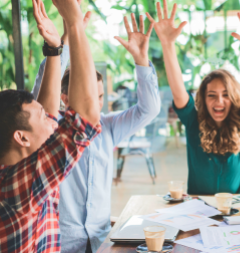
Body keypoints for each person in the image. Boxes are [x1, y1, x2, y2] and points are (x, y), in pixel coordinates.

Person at [31, 10, 161, 253]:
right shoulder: (50, 128)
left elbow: (149, 109)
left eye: (100, 96)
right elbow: (41, 96)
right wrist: (65, 40)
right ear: (65, 99)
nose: (96, 103)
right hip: (61, 243)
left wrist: (141, 60)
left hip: (101, 240)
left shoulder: (108, 125)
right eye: (90, 95)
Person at [0, 0, 101, 252]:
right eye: (42, 118)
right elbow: (84, 122)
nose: (53, 120)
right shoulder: (15, 191)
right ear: (22, 138)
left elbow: (47, 111)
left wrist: (55, 49)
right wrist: (74, 22)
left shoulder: (5, 175)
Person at [146, 1, 240, 194]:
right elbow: (178, 92)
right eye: (212, 95)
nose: (219, 101)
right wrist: (167, 44)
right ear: (203, 99)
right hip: (199, 215)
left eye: (225, 95)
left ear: (233, 97)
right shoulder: (194, 123)